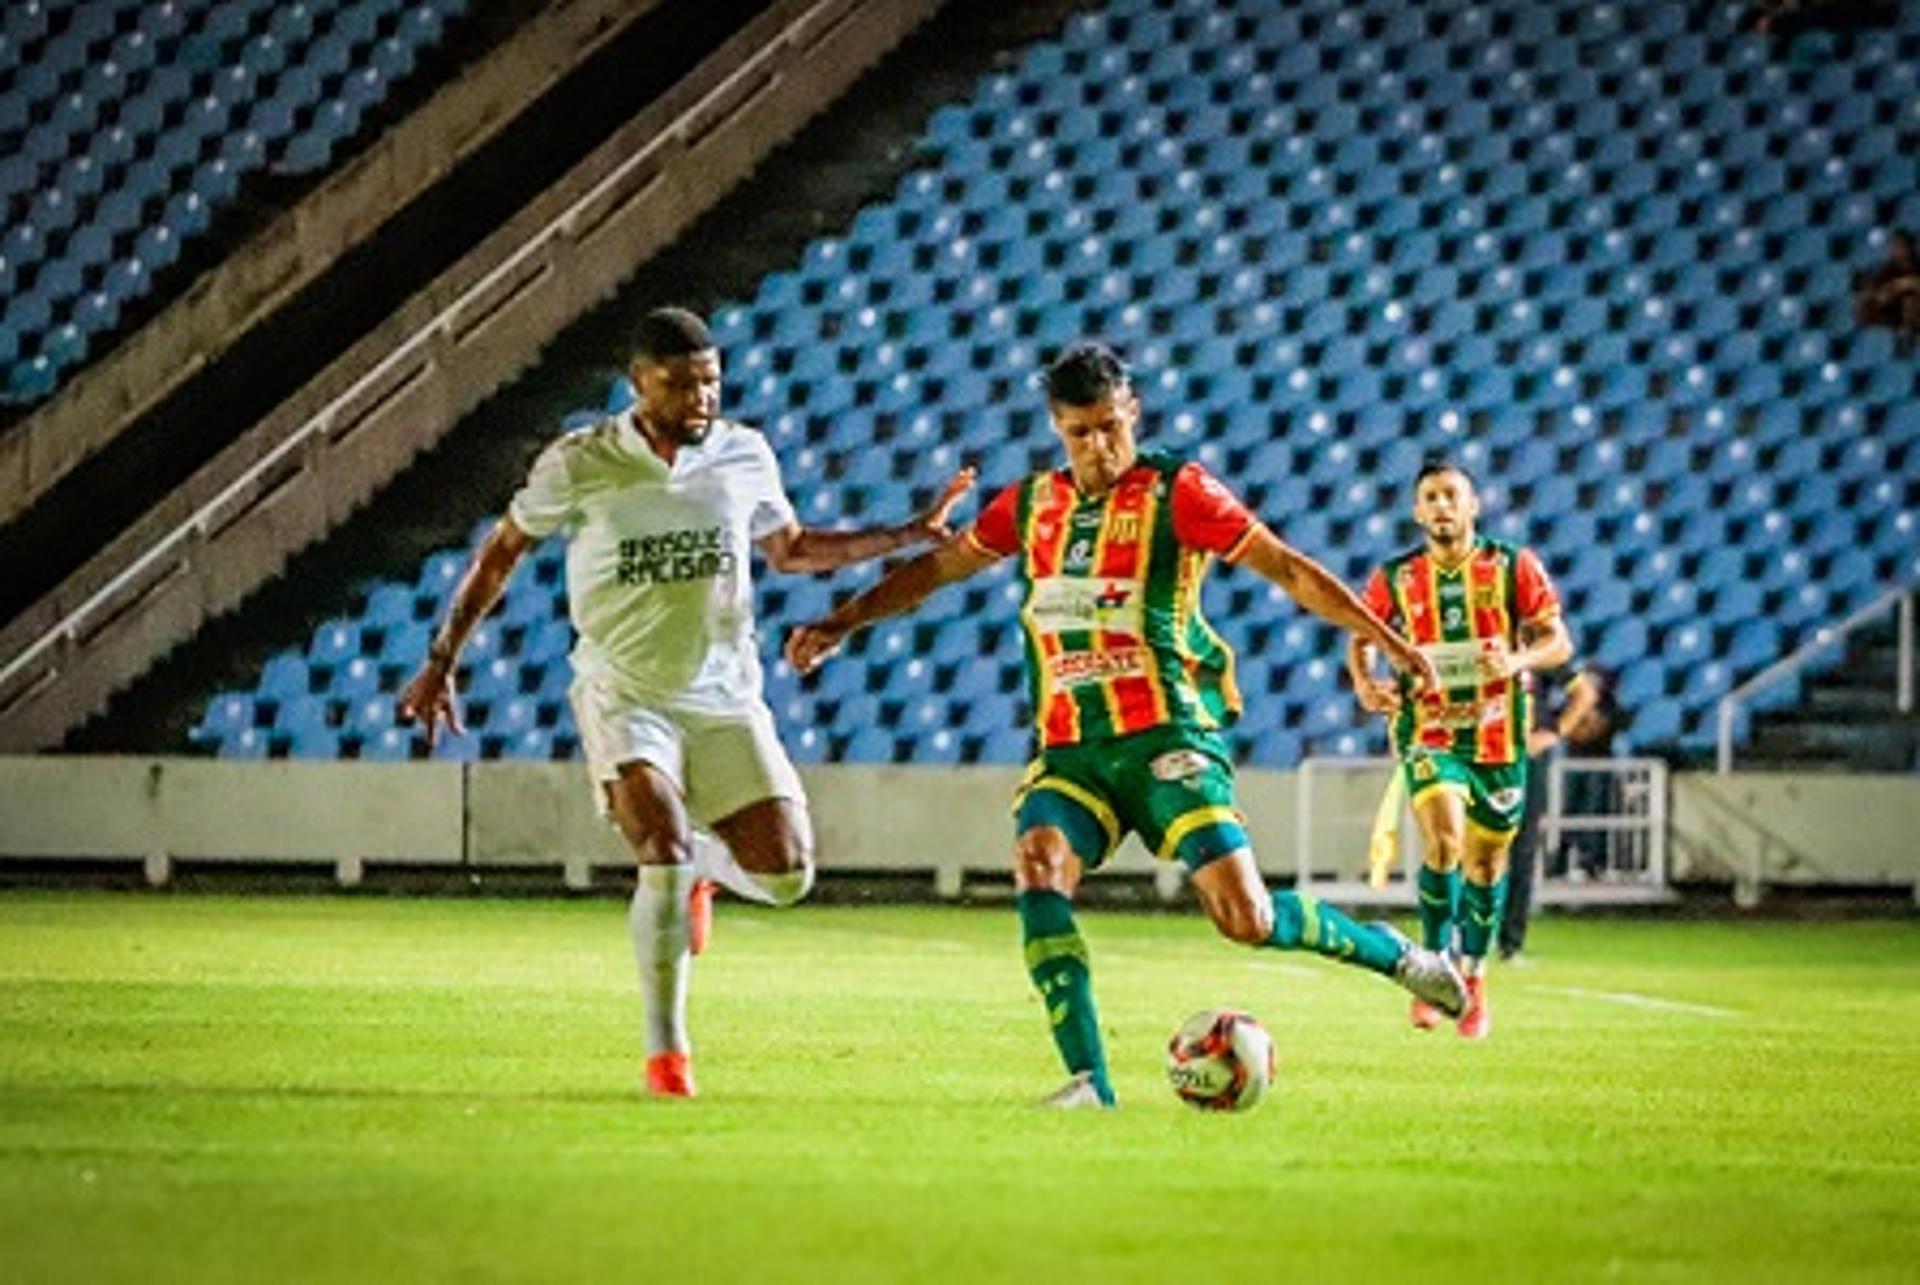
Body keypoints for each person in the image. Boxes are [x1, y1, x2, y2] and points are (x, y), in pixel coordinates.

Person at [785, 342, 1467, 1108]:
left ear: (1133, 413)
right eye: (1081, 432)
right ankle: (1089, 1083)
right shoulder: (1030, 504)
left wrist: (1390, 639)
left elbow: (1288, 566)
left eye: (1111, 426)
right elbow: (934, 572)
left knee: (1246, 918)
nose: (1100, 446)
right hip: (1073, 749)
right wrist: (843, 620)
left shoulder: (1179, 493)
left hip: (1169, 738)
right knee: (1039, 860)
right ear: (1057, 428)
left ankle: (1402, 958)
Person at [398, 306, 974, 1098]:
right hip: (624, 690)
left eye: (710, 380)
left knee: (788, 876)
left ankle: (711, 865)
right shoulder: (582, 462)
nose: (700, 397)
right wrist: (441, 659)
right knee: (658, 847)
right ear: (639, 384)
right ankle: (667, 1055)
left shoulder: (743, 453)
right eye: (679, 384)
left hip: (726, 695)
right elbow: (501, 554)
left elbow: (793, 549)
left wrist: (905, 533)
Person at [1347, 457, 1573, 1039]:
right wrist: (1364, 681)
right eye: (1431, 497)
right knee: (1443, 839)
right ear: (1416, 511)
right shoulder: (1395, 577)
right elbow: (1362, 635)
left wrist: (1517, 660)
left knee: (1487, 861)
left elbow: (1558, 641)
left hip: (1499, 737)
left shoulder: (1512, 566)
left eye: (1452, 495)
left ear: (1473, 505)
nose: (1442, 506)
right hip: (1430, 730)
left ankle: (1471, 977)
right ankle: (1432, 969)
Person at [1498, 663, 1619, 961]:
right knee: (1470, 845)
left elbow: (1584, 693)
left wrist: (1554, 733)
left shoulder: (1540, 649)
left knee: (1522, 847)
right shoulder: (1480, 636)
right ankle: (1460, 936)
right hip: (1479, 750)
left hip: (1524, 756)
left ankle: (1511, 941)